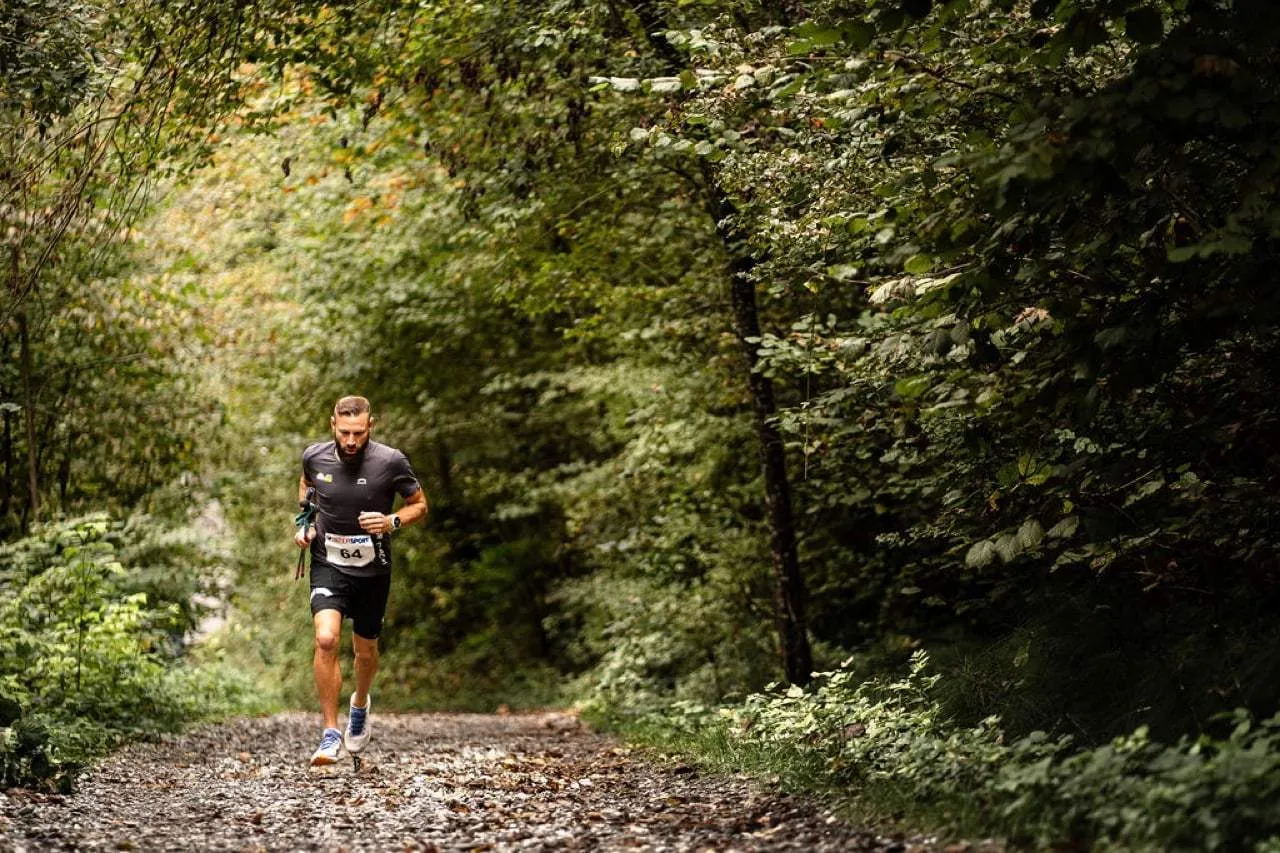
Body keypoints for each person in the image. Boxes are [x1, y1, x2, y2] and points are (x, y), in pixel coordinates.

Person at [294, 395, 428, 766]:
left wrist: (391, 521)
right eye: (344, 432)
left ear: (371, 425)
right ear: (332, 425)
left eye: (358, 433)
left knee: (365, 652)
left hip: (373, 567)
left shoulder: (391, 461)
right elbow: (306, 489)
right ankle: (330, 733)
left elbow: (420, 505)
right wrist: (305, 525)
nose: (351, 440)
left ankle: (359, 703)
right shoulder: (314, 456)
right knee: (325, 639)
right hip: (328, 562)